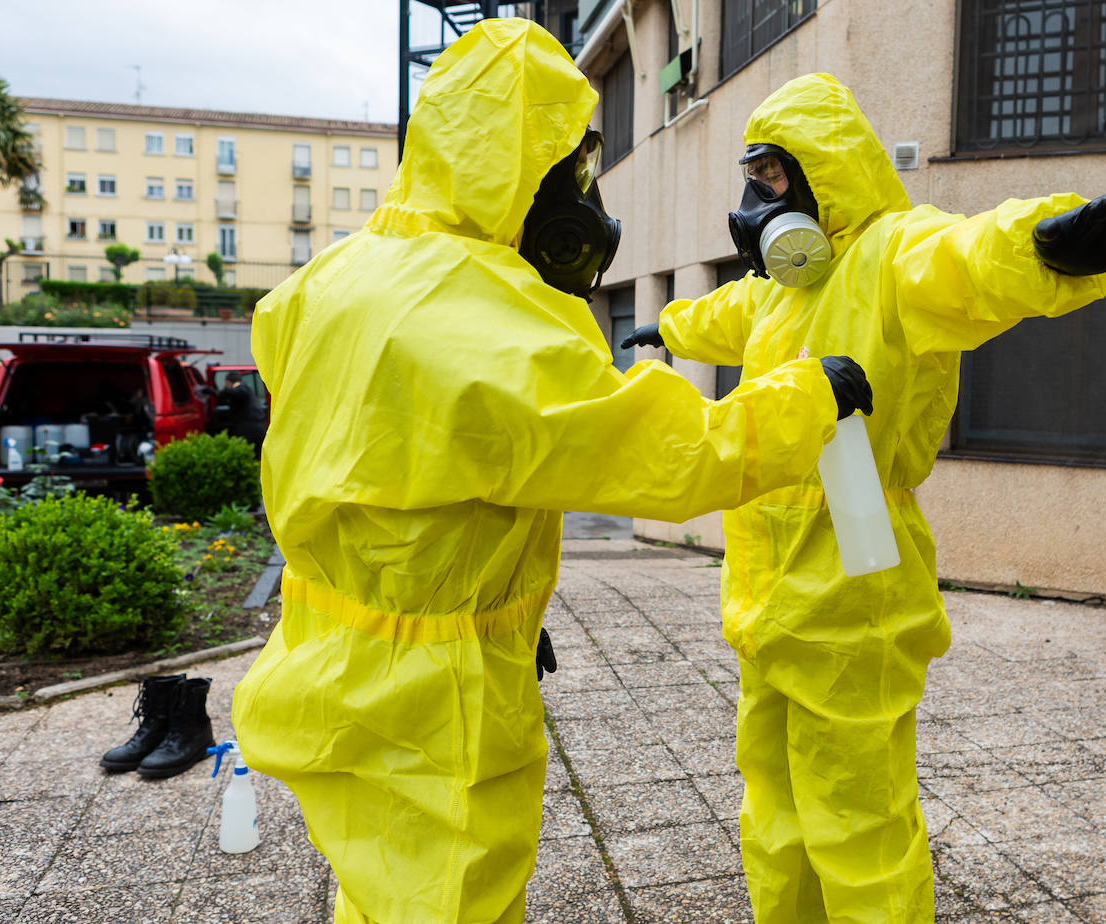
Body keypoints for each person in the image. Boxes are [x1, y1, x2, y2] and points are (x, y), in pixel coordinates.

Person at [230, 24, 873, 924]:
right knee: (453, 897)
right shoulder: (492, 317)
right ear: (520, 168)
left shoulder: (326, 280)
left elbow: (365, 448)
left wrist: (464, 584)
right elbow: (668, 456)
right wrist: (812, 397)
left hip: (325, 646)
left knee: (379, 882)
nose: (583, 201)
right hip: (435, 691)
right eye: (570, 173)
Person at [621, 73, 1106, 923]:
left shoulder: (892, 255)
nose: (755, 202)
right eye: (755, 178)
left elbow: (966, 261)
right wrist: (667, 325)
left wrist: (1046, 246)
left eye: (773, 179)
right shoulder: (786, 285)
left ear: (825, 171)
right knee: (773, 814)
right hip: (765, 598)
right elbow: (729, 312)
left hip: (852, 597)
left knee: (859, 824)